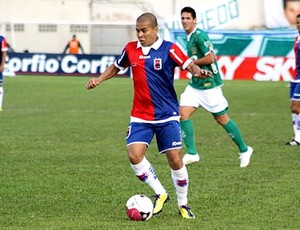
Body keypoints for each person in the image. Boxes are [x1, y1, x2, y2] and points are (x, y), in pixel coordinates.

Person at [86, 12, 212, 218]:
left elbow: (189, 65)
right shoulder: (130, 49)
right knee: (134, 155)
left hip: (167, 114)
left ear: (155, 30)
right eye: (137, 31)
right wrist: (99, 80)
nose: (140, 35)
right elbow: (117, 66)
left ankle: (183, 204)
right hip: (140, 115)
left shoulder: (169, 49)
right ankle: (161, 193)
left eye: (144, 30)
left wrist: (198, 72)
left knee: (175, 159)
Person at [179, 7, 253, 167]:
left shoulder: (199, 35)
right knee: (183, 114)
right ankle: (192, 153)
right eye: (183, 18)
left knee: (221, 118)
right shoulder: (189, 37)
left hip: (208, 84)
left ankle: (244, 149)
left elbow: (210, 58)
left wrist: (190, 64)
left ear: (194, 20)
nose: (185, 21)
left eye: (188, 18)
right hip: (195, 84)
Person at [286, 13, 300, 145]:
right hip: (296, 77)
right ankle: (297, 137)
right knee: (293, 108)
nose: (298, 25)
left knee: (296, 106)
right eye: (297, 22)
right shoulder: (297, 38)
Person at [0, 35, 8, 112]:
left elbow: (4, 52)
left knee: (0, 86)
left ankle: (0, 106)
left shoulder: (2, 39)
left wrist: (2, 64)